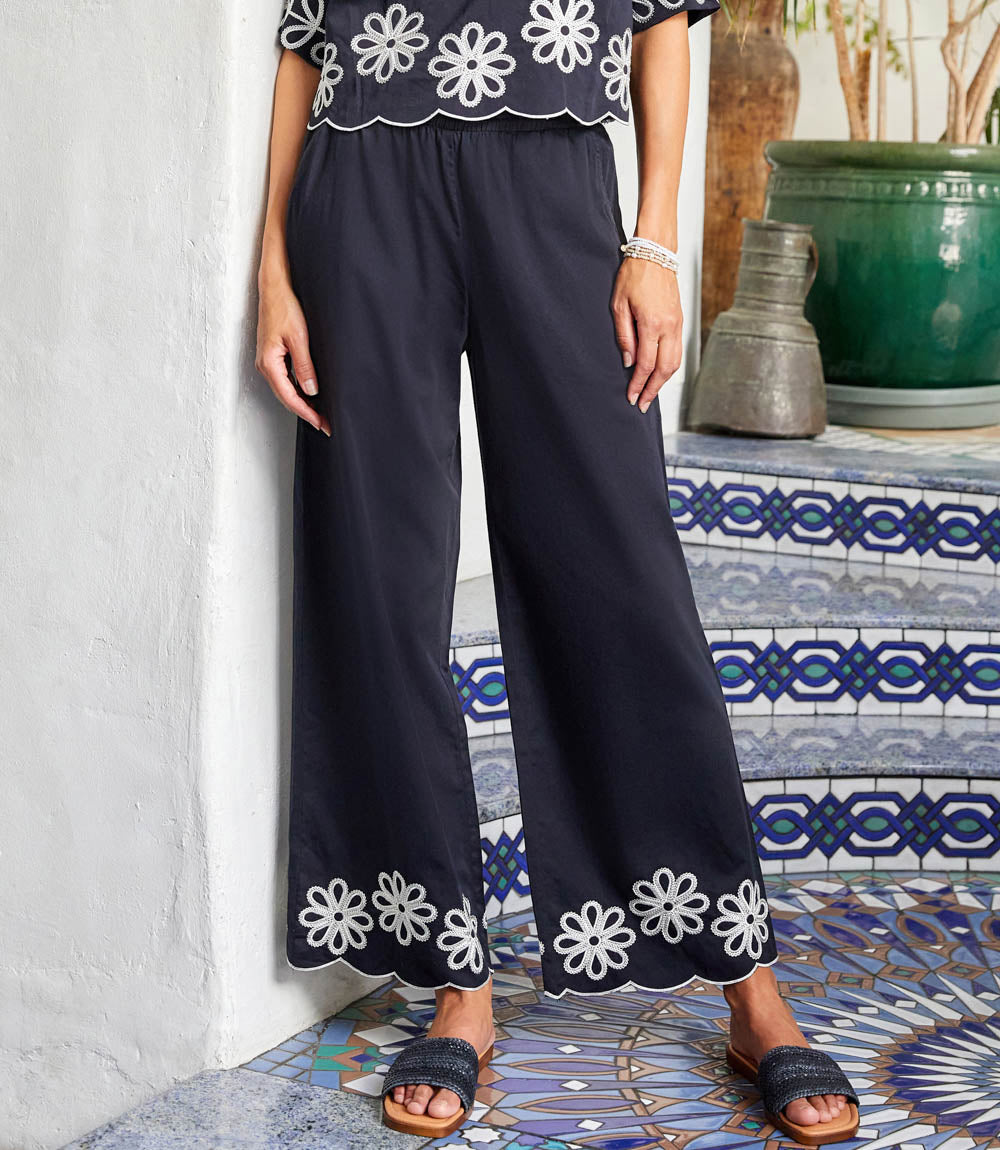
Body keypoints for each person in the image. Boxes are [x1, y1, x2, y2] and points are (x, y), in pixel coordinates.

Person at [255, 0, 860, 1142]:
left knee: (619, 576)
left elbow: (661, 20)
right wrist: (273, 264)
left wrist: (655, 241)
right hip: (361, 183)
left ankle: (748, 985)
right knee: (376, 581)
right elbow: (302, 41)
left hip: (553, 178)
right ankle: (458, 980)